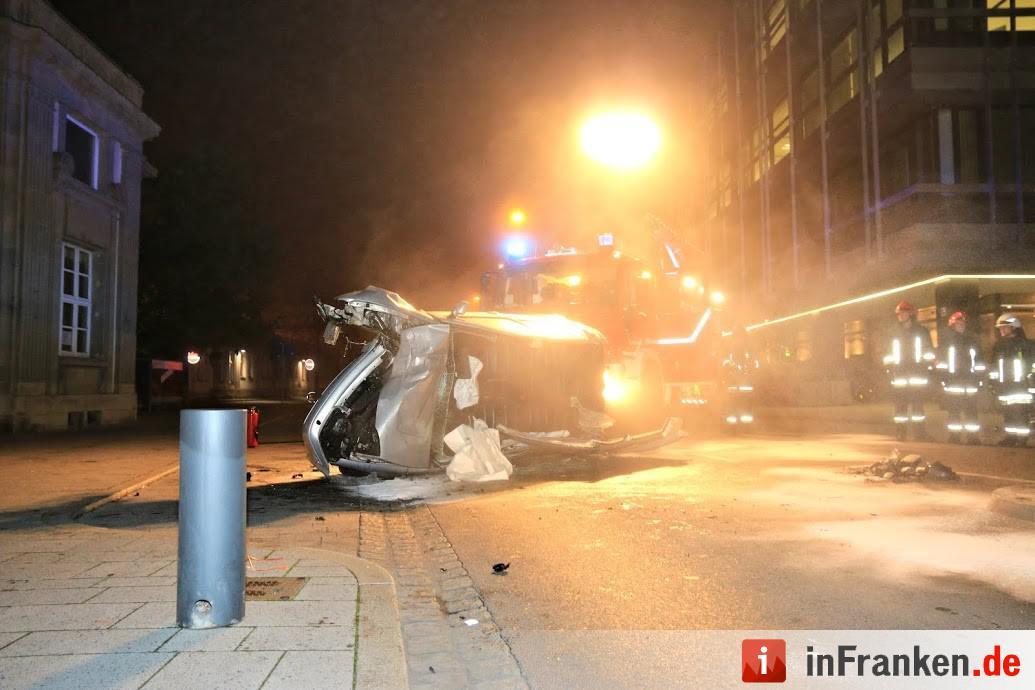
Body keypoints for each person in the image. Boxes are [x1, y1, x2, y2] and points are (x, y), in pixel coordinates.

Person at [882, 300, 935, 441]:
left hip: (917, 375)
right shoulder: (892, 333)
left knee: (918, 407)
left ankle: (920, 433)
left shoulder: (922, 332)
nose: (901, 316)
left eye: (904, 313)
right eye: (899, 314)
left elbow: (929, 352)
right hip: (899, 375)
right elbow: (887, 354)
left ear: (910, 314)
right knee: (900, 408)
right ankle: (901, 433)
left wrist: (926, 367)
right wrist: (889, 369)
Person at [936, 311, 985, 445]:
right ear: (952, 325)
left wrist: (979, 379)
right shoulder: (946, 342)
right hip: (953, 382)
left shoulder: (973, 340)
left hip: (970, 381)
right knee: (954, 411)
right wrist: (943, 379)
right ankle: (954, 436)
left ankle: (973, 437)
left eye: (962, 323)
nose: (960, 325)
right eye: (957, 323)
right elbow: (941, 363)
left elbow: (979, 361)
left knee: (971, 411)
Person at [989, 313, 1035, 446]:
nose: (1001, 330)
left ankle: (1022, 438)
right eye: (1000, 328)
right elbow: (994, 367)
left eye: (1005, 327)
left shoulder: (1026, 345)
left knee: (1020, 413)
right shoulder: (999, 346)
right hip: (1005, 386)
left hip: (1021, 386)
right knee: (1008, 413)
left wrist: (1032, 383)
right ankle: (1011, 437)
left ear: (1014, 327)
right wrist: (993, 383)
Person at [720, 330, 758, 431]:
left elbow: (755, 364)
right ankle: (734, 425)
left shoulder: (747, 350)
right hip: (736, 383)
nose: (739, 340)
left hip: (742, 383)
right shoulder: (731, 351)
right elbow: (723, 364)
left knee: (740, 403)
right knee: (734, 402)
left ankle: (741, 425)